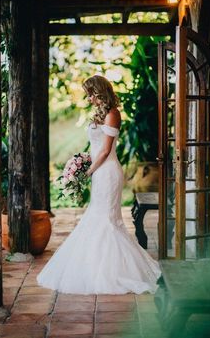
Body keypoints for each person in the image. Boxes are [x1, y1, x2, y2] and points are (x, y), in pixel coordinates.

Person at [37, 75, 161, 294]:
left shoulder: (113, 114)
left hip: (108, 172)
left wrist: (89, 171)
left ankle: (116, 272)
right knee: (97, 216)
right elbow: (96, 148)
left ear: (100, 92)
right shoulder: (101, 114)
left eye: (91, 94)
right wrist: (84, 162)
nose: (89, 98)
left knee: (108, 220)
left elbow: (105, 150)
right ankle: (95, 267)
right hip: (98, 170)